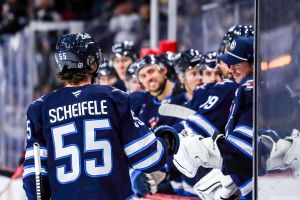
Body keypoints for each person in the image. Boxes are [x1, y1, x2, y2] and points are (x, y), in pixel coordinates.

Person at [22, 33, 179, 200]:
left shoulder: (39, 108)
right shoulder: (113, 98)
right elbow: (149, 158)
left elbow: (35, 181)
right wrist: (164, 142)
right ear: (92, 62)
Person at [173, 36, 254, 200]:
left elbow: (252, 147)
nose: (231, 71)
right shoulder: (251, 87)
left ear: (254, 62)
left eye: (237, 64)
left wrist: (226, 168)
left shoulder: (248, 88)